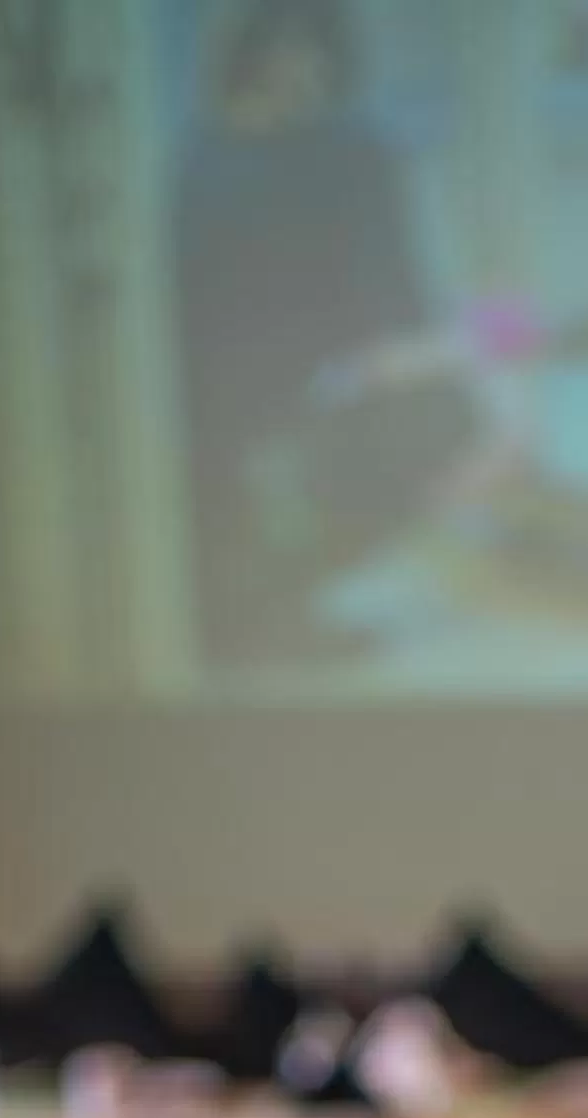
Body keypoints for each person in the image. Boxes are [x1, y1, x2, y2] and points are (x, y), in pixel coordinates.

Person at [175, 0, 488, 670]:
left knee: (435, 414)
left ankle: (263, 598)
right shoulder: (334, 156)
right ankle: (265, 599)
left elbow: (384, 308)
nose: (300, 68)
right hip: (250, 404)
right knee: (437, 417)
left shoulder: (213, 154)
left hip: (244, 401)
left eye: (311, 50)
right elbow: (389, 308)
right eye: (288, 50)